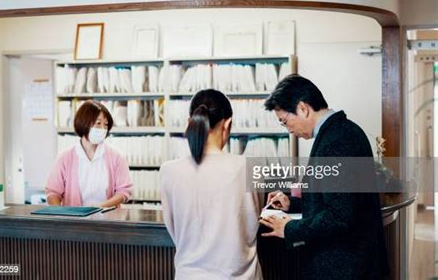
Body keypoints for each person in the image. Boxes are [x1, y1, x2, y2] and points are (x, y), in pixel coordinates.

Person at [259, 74, 389, 279]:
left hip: (345, 266)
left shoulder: (336, 141)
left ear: (303, 108)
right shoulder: (343, 131)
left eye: (285, 121)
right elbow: (339, 200)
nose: (288, 130)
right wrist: (290, 204)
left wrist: (290, 228)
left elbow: (339, 216)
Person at [160, 89, 263, 280]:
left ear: (191, 122)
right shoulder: (251, 167)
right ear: (228, 124)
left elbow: (174, 229)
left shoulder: (168, 171)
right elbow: (253, 221)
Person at [45, 100, 132, 207]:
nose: (103, 129)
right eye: (98, 123)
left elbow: (124, 191)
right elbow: (53, 192)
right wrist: (60, 214)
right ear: (84, 123)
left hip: (108, 220)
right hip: (75, 221)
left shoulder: (116, 157)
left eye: (106, 125)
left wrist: (100, 208)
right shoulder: (65, 157)